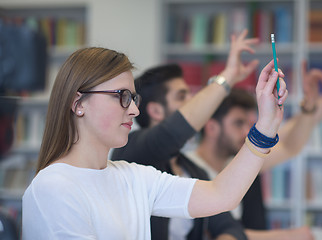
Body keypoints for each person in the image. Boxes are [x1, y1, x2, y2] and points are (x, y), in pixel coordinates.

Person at [21, 46, 288, 239]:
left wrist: (265, 125)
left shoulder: (133, 176)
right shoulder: (53, 187)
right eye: (122, 96)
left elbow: (222, 195)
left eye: (134, 99)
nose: (135, 111)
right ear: (78, 104)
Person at [184, 51, 322, 240]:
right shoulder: (186, 172)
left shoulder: (236, 162)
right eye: (238, 123)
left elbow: (291, 143)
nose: (246, 132)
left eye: (247, 123)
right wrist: (288, 236)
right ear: (211, 127)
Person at [110, 30, 266, 239]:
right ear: (156, 111)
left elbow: (229, 224)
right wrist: (227, 76)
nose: (192, 101)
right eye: (182, 96)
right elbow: (173, 130)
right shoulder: (133, 151)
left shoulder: (193, 170)